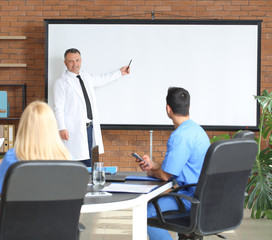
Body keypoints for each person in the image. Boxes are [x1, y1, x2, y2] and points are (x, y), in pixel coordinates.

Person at [135, 87, 210, 240]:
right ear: (188, 107)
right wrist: (154, 164)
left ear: (168, 109)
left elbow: (164, 176)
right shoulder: (197, 131)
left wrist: (151, 172)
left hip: (191, 197)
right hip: (206, 196)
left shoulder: (180, 136)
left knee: (144, 213)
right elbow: (180, 164)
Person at [0, 101, 70, 211]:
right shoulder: (67, 158)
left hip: (18, 226)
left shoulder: (13, 158)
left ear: (24, 126)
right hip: (57, 226)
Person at [53, 48, 130, 167]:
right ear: (65, 63)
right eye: (71, 61)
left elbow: (102, 79)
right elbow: (58, 107)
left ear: (81, 60)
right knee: (76, 163)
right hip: (73, 130)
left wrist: (120, 72)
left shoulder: (85, 77)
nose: (75, 64)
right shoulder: (61, 83)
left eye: (77, 60)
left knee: (90, 164)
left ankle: (88, 185)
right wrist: (61, 127)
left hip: (90, 128)